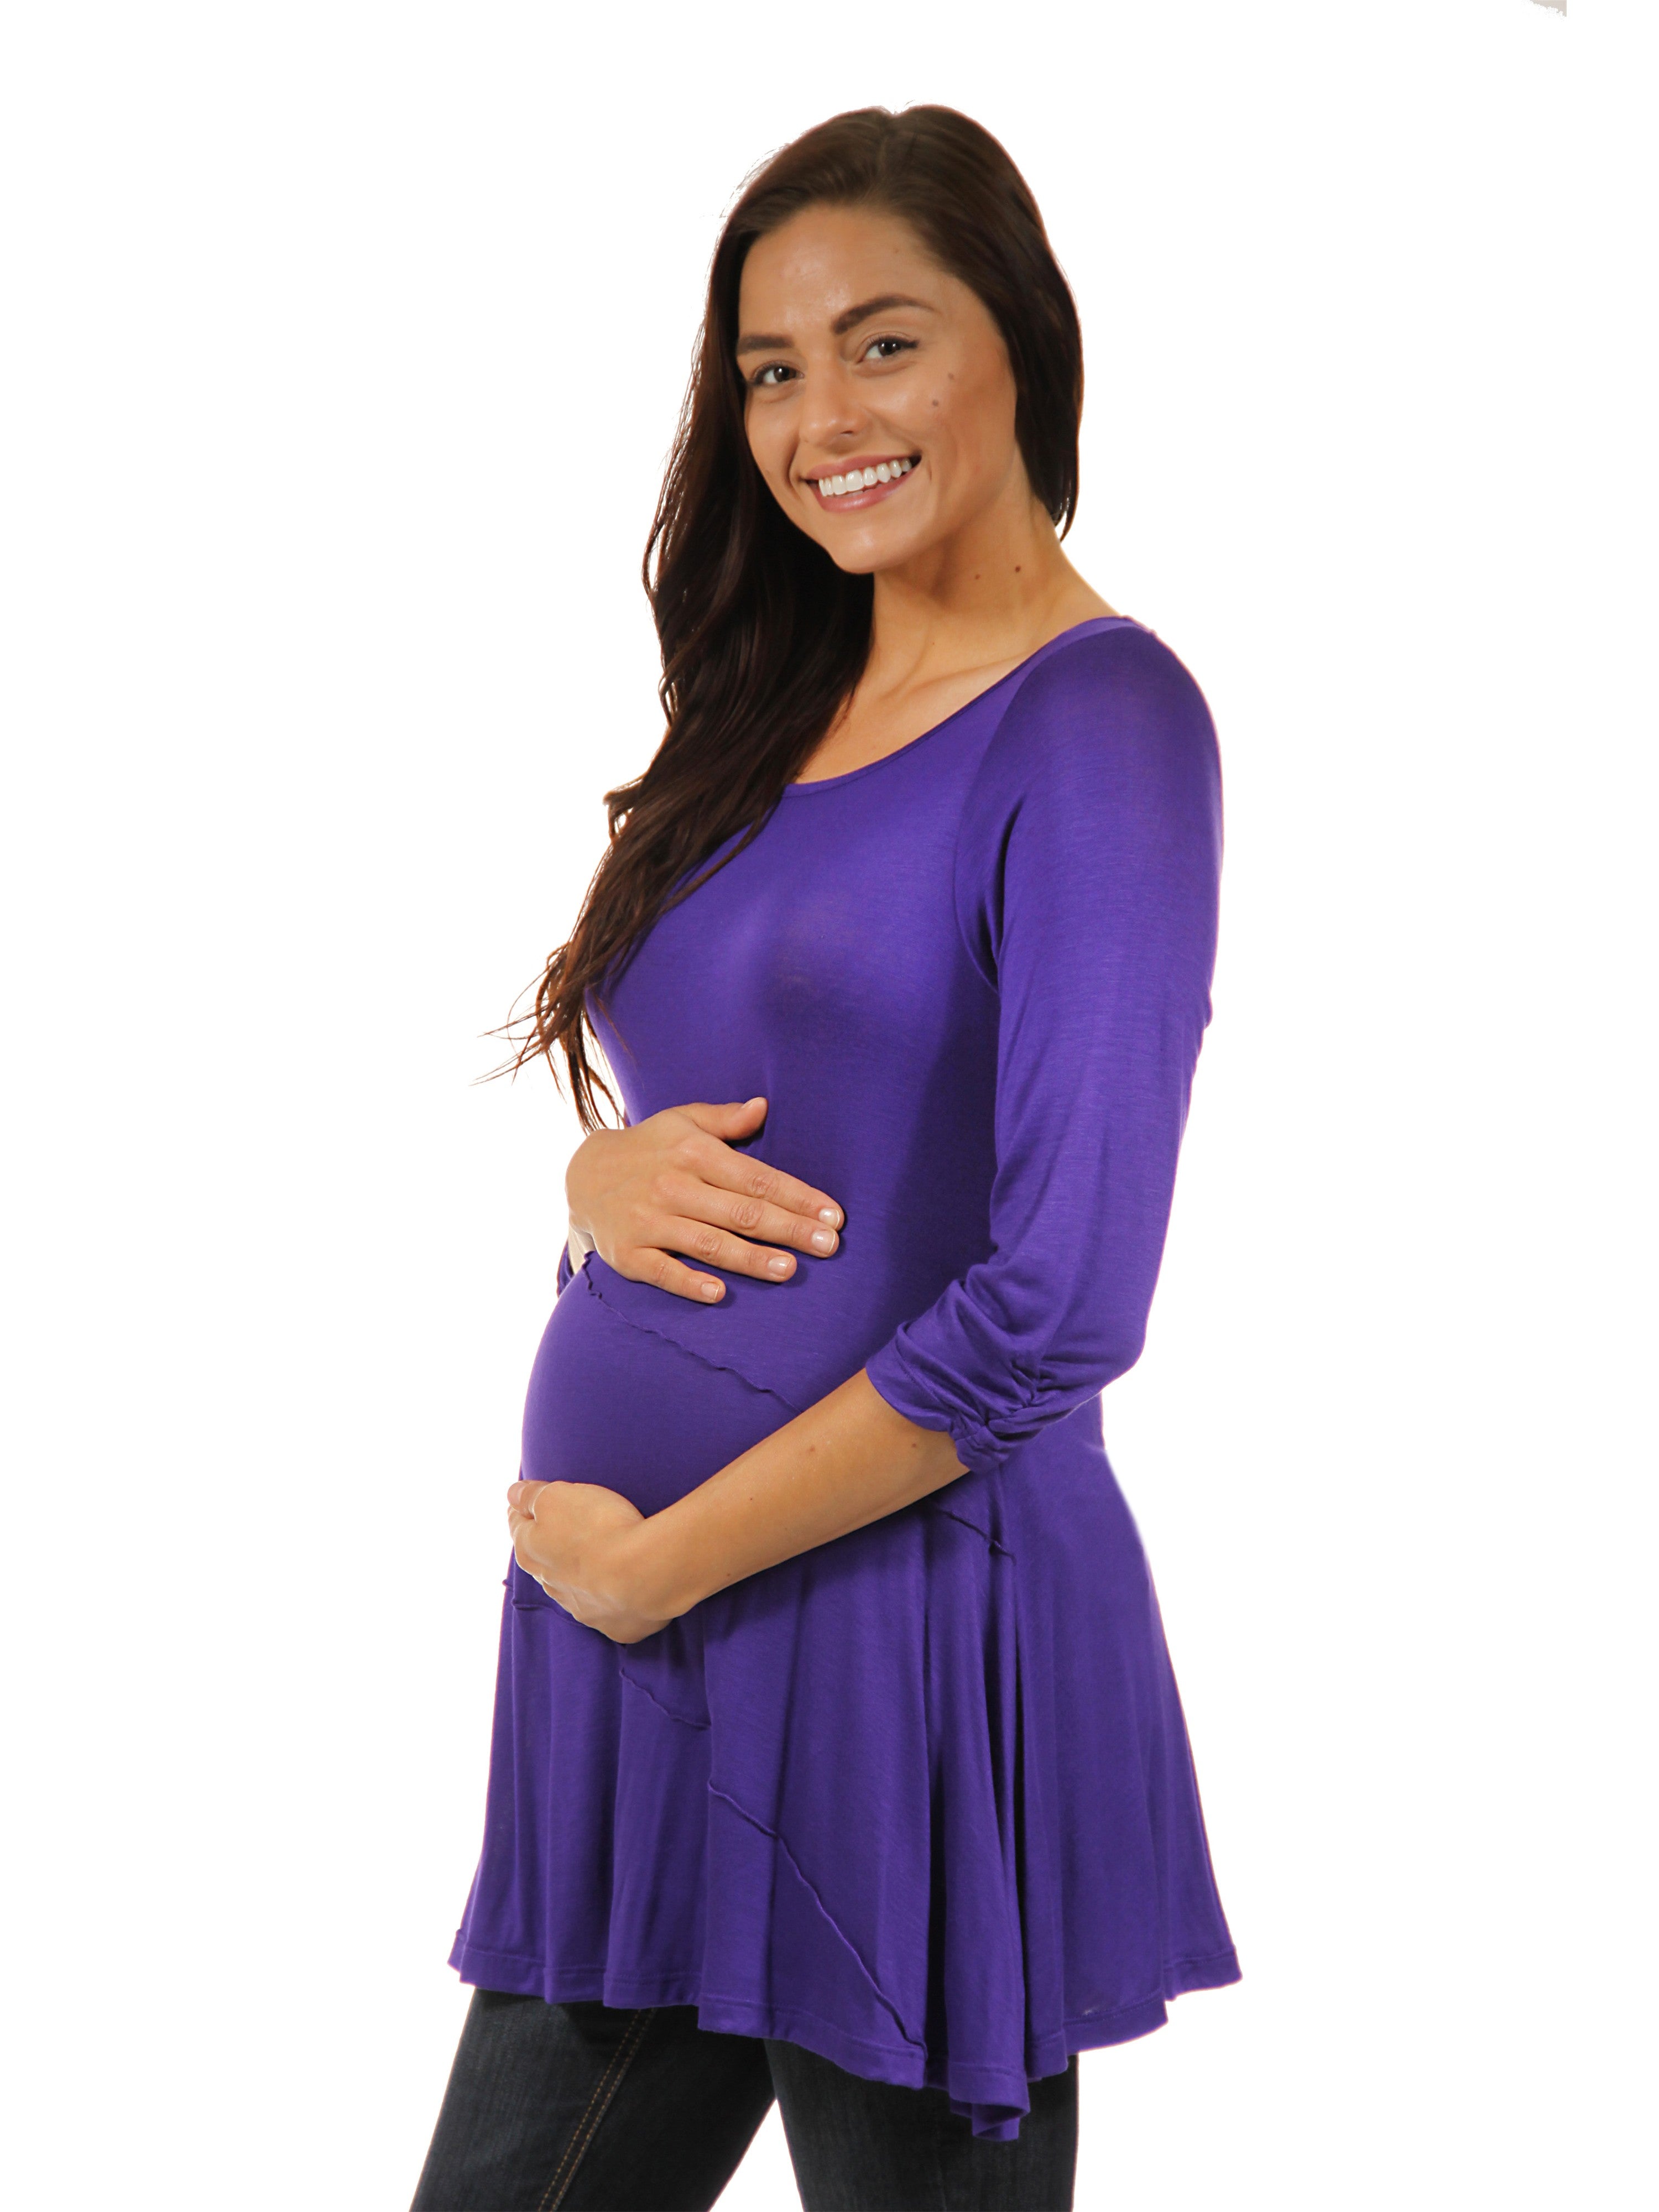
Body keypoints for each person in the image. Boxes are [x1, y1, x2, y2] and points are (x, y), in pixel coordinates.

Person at [410, 103, 1240, 2212]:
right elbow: (742, 1103)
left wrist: (662, 1562)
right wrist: (592, 1196)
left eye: (884, 343)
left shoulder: (1102, 724)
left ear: (1021, 341)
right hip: (634, 1659)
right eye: (772, 370)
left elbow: (1065, 1299)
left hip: (900, 1656)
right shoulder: (771, 706)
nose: (819, 420)